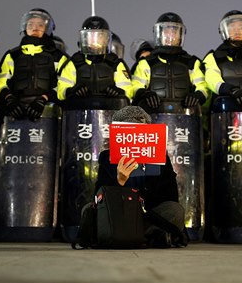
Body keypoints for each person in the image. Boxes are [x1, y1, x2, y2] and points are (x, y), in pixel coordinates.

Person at [94, 106, 186, 247]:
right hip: (118, 215)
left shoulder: (160, 158)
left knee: (175, 210)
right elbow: (98, 198)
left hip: (148, 217)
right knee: (88, 210)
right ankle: (148, 239)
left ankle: (126, 238)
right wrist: (119, 181)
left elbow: (170, 198)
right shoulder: (107, 157)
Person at [0, 8, 68, 119]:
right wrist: (9, 99)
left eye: (40, 25)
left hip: (49, 114)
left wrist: (44, 99)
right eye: (30, 25)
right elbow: (1, 83)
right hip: (15, 112)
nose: (35, 28)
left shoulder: (58, 57)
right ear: (25, 27)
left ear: (48, 28)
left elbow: (64, 85)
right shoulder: (13, 55)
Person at [132, 12, 209, 112]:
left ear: (180, 35)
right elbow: (136, 85)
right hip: (153, 116)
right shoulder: (146, 63)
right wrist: (144, 94)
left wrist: (198, 95)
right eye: (166, 32)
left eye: (174, 32)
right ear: (159, 34)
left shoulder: (191, 62)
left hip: (185, 117)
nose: (170, 36)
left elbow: (202, 86)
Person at [57, 16, 133, 105]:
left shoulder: (115, 64)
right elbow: (60, 91)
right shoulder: (74, 63)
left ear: (106, 39)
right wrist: (70, 91)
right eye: (91, 36)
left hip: (110, 112)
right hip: (79, 113)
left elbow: (127, 89)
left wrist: (119, 92)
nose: (95, 40)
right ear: (84, 38)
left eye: (100, 36)